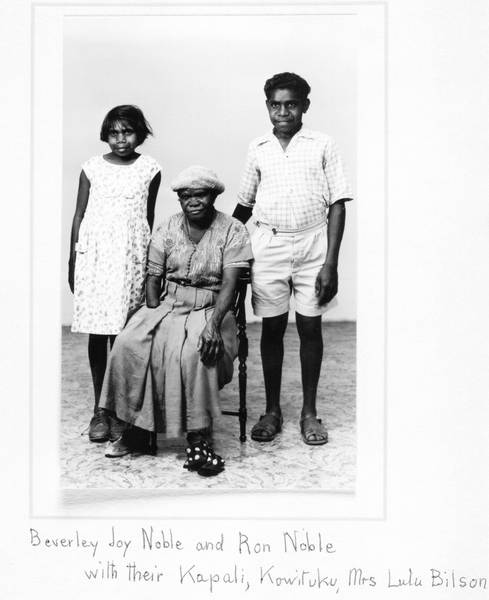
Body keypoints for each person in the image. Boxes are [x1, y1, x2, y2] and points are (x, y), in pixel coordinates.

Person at [99, 166, 253, 477]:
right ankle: (137, 429)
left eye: (201, 194)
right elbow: (153, 278)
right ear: (179, 199)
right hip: (169, 302)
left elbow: (230, 285)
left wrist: (213, 325)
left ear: (214, 196)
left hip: (212, 308)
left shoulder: (233, 229)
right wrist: (151, 314)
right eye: (186, 195)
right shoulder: (167, 227)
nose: (193, 201)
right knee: (130, 343)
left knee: (195, 352)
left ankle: (199, 436)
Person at [232, 72, 353, 445]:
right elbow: (245, 205)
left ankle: (309, 413)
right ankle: (272, 410)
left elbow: (337, 204)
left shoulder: (322, 144)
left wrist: (330, 262)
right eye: (275, 105)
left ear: (304, 106)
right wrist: (219, 240)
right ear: (267, 106)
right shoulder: (259, 147)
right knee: (270, 329)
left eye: (291, 104)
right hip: (268, 245)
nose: (283, 111)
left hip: (313, 247)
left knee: (310, 329)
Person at [69, 105, 161, 443]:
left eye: (128, 132)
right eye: (114, 132)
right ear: (105, 134)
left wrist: (151, 268)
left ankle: (124, 411)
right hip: (95, 258)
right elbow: (79, 216)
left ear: (140, 134)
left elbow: (147, 220)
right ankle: (100, 410)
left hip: (131, 258)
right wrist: (72, 260)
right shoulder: (91, 168)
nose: (121, 139)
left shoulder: (150, 168)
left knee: (126, 337)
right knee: (99, 334)